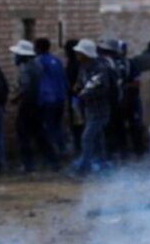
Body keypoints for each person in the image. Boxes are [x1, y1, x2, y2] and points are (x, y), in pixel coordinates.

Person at [71, 39, 110, 175]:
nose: (76, 54)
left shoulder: (99, 68)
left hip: (100, 109)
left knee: (87, 137)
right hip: (90, 108)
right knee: (98, 138)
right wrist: (78, 86)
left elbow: (94, 87)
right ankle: (102, 165)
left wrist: (81, 94)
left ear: (85, 53)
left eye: (79, 52)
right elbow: (81, 81)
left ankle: (84, 167)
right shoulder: (84, 66)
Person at [10, 40, 47, 173]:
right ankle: (51, 160)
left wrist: (15, 98)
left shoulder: (26, 68)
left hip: (27, 105)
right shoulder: (37, 64)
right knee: (40, 134)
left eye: (17, 55)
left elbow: (25, 88)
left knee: (23, 135)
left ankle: (28, 164)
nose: (15, 57)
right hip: (37, 104)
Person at [35, 38, 68, 166]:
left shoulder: (39, 61)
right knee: (57, 126)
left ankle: (53, 160)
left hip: (48, 100)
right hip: (60, 98)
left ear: (38, 48)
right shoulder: (56, 60)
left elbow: (36, 80)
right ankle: (62, 151)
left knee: (48, 129)